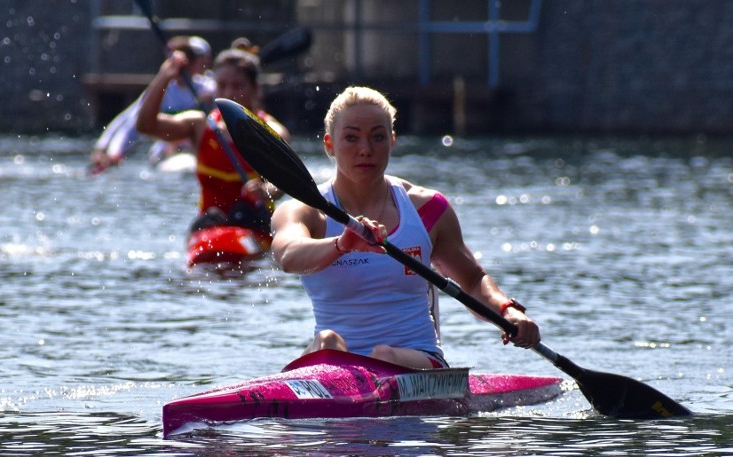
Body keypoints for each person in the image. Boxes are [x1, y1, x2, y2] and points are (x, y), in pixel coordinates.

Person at [270, 86, 541, 370]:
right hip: (334, 368)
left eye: (378, 137)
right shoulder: (305, 211)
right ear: (329, 144)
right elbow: (288, 255)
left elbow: (472, 281)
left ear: (392, 141)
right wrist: (342, 244)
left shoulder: (426, 208)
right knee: (326, 341)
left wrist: (507, 311)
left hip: (415, 360)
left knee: (384, 356)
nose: (365, 150)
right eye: (351, 138)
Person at [136, 46, 289, 233]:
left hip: (254, 223)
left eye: (237, 86)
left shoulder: (271, 132)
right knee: (210, 220)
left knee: (244, 214)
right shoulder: (199, 125)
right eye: (222, 85)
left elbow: (285, 182)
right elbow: (145, 126)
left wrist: (266, 191)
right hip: (210, 226)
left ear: (255, 90)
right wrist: (165, 76)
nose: (228, 94)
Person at [89, 36, 215, 174]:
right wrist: (113, 151)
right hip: (167, 153)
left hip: (199, 151)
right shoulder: (162, 91)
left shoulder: (209, 88)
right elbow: (129, 123)